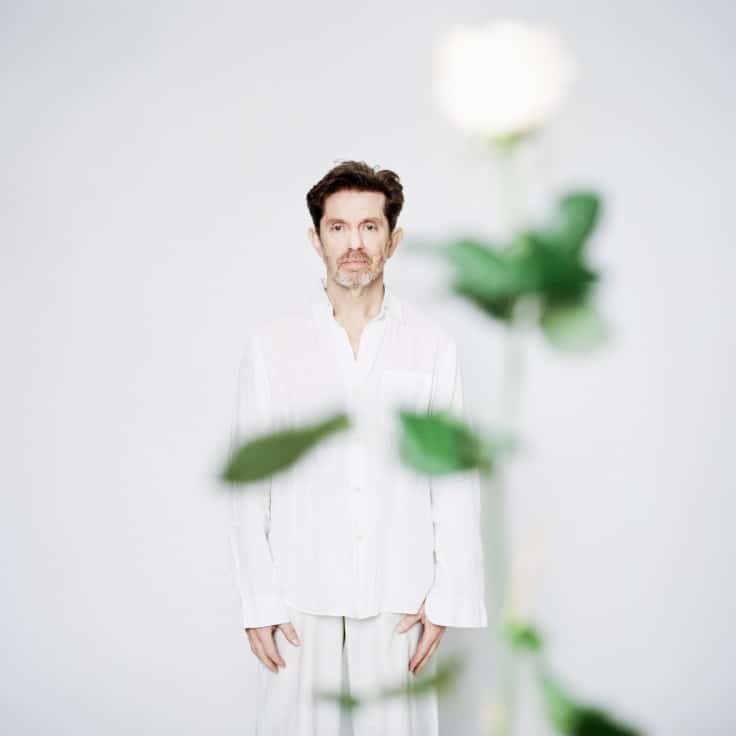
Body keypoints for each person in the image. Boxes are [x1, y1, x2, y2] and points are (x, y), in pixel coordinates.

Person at [228, 160, 487, 735]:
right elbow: (250, 482)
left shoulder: (432, 347)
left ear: (393, 240)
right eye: (338, 227)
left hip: (400, 587)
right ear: (315, 238)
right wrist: (259, 602)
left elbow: (452, 477)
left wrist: (447, 596)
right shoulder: (272, 347)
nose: (354, 244)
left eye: (370, 227)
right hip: (298, 589)